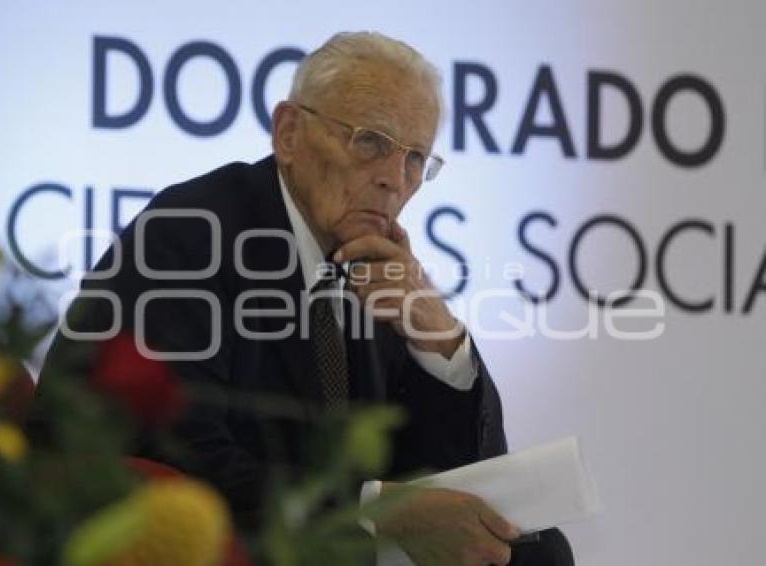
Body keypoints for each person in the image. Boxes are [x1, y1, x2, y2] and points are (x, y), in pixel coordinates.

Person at [33, 32, 572, 566]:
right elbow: (171, 458)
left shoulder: (373, 265)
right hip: (178, 537)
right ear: (288, 133)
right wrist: (380, 513)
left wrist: (437, 336)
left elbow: (456, 478)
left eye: (414, 159)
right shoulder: (191, 233)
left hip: (311, 536)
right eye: (370, 141)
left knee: (533, 553)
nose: (392, 179)